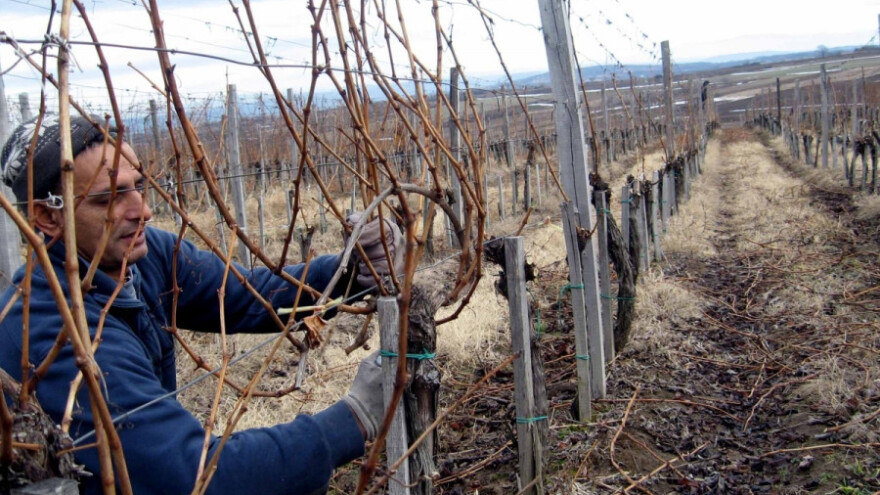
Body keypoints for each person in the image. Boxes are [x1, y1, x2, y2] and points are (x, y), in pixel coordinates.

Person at [0, 114, 405, 494]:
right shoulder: (57, 336)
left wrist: (349, 270)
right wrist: (354, 418)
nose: (144, 211)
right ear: (47, 217)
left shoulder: (142, 258)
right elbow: (198, 478)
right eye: (110, 198)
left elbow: (249, 296)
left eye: (138, 186)